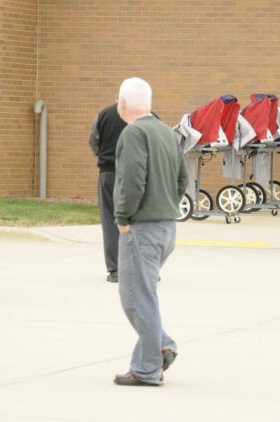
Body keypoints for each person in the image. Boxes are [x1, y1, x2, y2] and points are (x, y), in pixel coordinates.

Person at [112, 77, 186, 387]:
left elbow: (132, 179)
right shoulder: (165, 132)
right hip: (167, 226)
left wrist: (123, 215)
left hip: (141, 227)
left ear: (122, 103)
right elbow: (183, 178)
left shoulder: (134, 133)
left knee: (134, 298)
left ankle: (147, 367)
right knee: (145, 297)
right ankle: (159, 349)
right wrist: (168, 204)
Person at [89, 101, 128, 283]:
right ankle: (144, 266)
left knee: (110, 220)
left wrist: (104, 157)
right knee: (141, 221)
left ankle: (115, 270)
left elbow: (94, 142)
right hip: (140, 174)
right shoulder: (149, 117)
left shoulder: (104, 114)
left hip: (108, 173)